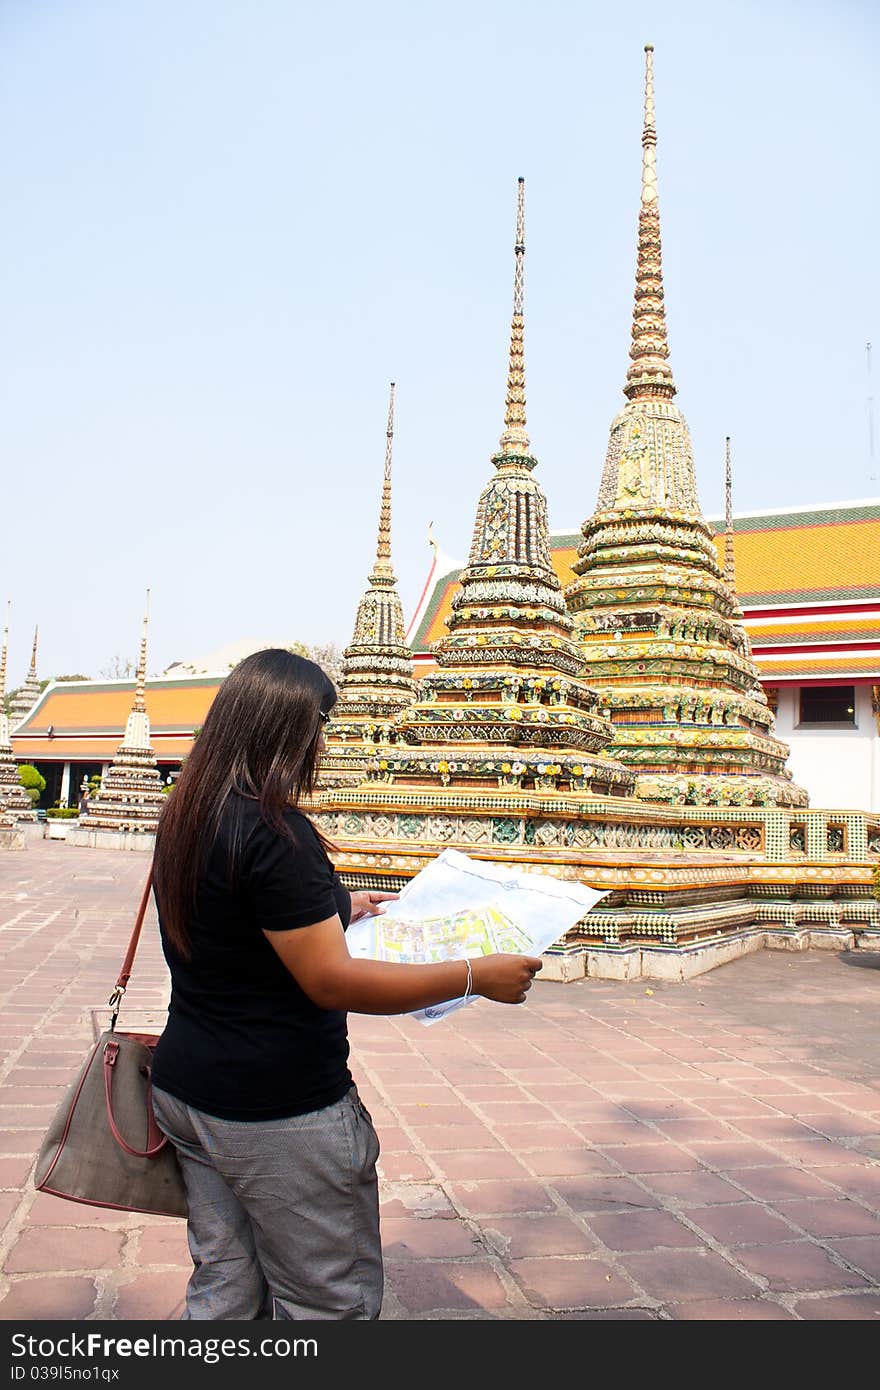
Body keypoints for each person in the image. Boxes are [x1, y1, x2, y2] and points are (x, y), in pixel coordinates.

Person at [149, 648, 541, 1321]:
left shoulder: (191, 814)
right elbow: (331, 981)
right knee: (328, 1300)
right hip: (276, 1112)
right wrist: (479, 974)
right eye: (320, 730)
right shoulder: (278, 836)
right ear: (291, 735)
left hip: (190, 1089)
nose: (324, 747)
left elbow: (243, 916)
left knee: (226, 1288)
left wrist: (336, 905)